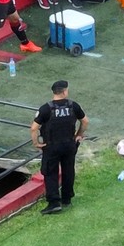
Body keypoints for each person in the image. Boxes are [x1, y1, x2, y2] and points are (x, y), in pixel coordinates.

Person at [31, 79, 86, 214]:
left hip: (52, 146)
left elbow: (33, 128)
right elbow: (85, 121)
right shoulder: (73, 106)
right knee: (68, 171)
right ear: (64, 92)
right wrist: (78, 135)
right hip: (69, 145)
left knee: (50, 173)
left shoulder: (46, 108)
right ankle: (67, 199)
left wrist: (36, 143)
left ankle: (54, 202)